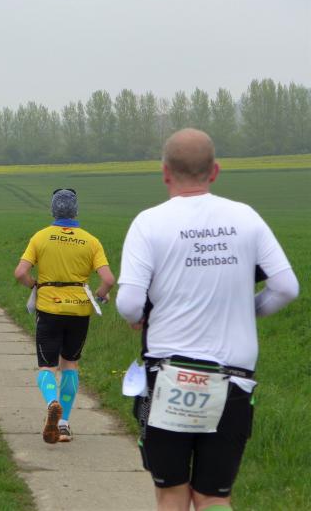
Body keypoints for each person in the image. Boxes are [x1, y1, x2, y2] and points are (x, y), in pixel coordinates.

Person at [116, 129, 299, 511]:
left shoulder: (148, 223)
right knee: (214, 495)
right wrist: (246, 310)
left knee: (172, 492)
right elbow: (285, 287)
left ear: (165, 172)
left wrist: (143, 316)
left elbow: (129, 303)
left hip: (168, 375)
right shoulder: (245, 217)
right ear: (215, 171)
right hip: (233, 376)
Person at [13, 188, 114, 444]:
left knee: (47, 366)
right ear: (76, 211)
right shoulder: (91, 241)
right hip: (79, 310)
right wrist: (101, 295)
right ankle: (64, 425)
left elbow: (20, 273)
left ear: (53, 210)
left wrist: (34, 285)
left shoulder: (40, 237)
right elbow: (108, 279)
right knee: (70, 364)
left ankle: (52, 402)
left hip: (49, 308)